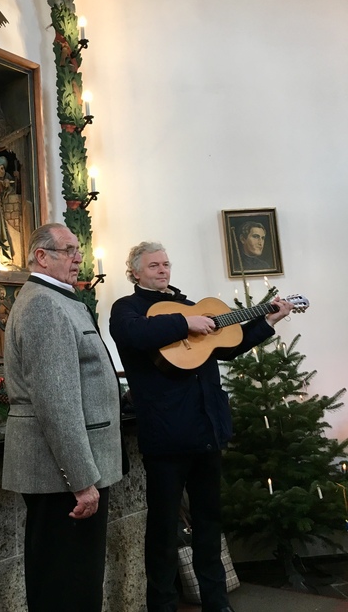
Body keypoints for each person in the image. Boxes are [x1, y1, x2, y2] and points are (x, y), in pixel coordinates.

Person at [109, 241, 293, 612]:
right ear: (135, 272)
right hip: (165, 436)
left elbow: (226, 346)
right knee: (162, 529)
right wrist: (184, 322)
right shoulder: (127, 309)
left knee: (209, 525)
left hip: (207, 430)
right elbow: (133, 336)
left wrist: (267, 320)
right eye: (155, 265)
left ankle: (217, 602)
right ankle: (161, 605)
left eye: (166, 264)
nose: (163, 270)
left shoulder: (187, 304)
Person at [2, 222, 125, 612]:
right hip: (61, 476)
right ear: (42, 257)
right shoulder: (43, 304)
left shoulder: (60, 299)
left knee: (75, 579)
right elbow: (57, 403)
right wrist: (82, 480)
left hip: (67, 472)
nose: (78, 259)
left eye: (78, 251)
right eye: (69, 251)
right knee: (66, 585)